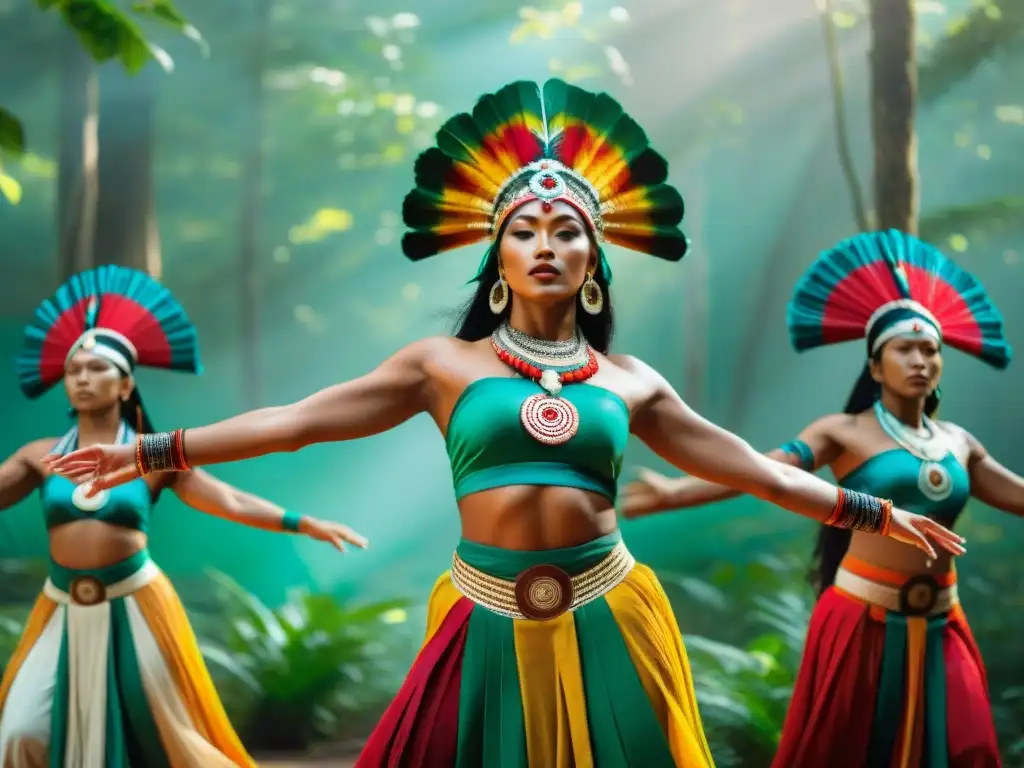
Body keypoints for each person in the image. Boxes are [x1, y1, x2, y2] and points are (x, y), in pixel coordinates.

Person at [46, 84, 963, 768]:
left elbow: (759, 471)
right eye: (526, 230)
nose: (547, 245)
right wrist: (152, 447)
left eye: (568, 231)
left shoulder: (630, 380)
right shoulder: (441, 365)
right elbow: (296, 423)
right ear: (498, 259)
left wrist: (872, 514)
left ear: (594, 260)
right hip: (484, 610)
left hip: (611, 607)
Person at [622, 229, 1016, 767]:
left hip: (944, 621)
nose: (921, 359)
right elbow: (765, 471)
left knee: (966, 747)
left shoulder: (960, 443)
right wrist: (676, 493)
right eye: (905, 349)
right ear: (876, 367)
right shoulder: (844, 432)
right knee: (842, 750)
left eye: (931, 349)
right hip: (860, 617)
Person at [0, 265, 368, 767]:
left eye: (97, 368)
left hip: (135, 603)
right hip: (62, 603)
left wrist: (301, 522)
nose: (83, 378)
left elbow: (230, 501)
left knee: (167, 737)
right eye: (73, 371)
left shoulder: (151, 458)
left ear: (126, 383)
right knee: (20, 731)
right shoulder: (39, 457)